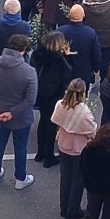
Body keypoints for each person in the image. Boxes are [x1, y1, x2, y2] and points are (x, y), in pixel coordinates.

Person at [0, 34, 38, 192]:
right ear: (23, 50)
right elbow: (30, 100)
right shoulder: (29, 71)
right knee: (20, 147)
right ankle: (20, 178)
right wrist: (12, 113)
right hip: (20, 118)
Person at [51, 77, 97, 219]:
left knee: (65, 177)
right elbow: (92, 132)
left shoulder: (61, 104)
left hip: (63, 145)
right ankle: (73, 210)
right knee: (77, 180)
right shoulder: (84, 112)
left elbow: (55, 120)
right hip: (78, 149)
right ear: (83, 93)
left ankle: (64, 207)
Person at [29, 30, 73, 167]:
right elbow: (68, 76)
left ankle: (40, 152)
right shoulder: (59, 61)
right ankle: (49, 157)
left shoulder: (37, 55)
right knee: (51, 126)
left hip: (40, 94)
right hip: (54, 96)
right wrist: (69, 58)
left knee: (43, 122)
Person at [60, 4, 102, 90]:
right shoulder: (90, 33)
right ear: (83, 16)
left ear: (69, 15)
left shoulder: (60, 32)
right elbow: (96, 54)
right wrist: (96, 68)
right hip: (84, 72)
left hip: (63, 72)